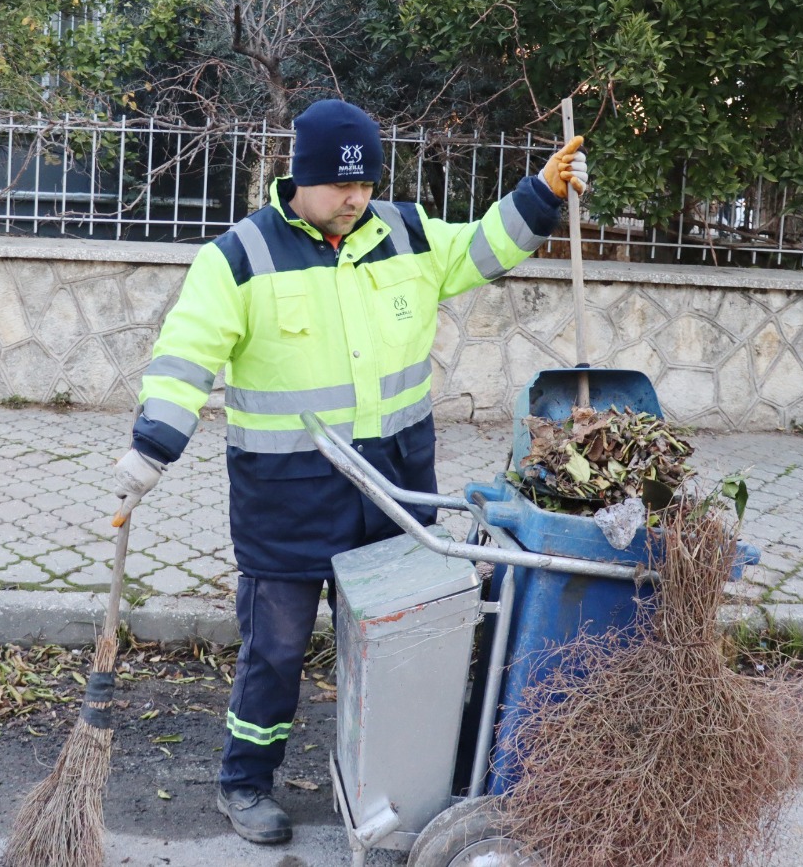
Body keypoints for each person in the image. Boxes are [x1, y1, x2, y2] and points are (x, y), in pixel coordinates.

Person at [111, 99, 587, 845]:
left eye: (365, 185)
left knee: (401, 651)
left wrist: (541, 194)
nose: (356, 199)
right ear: (300, 178)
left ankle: (391, 786)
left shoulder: (404, 234)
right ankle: (244, 782)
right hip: (287, 502)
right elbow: (185, 357)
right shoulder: (240, 258)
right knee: (274, 651)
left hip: (392, 495)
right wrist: (150, 450)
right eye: (341, 187)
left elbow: (484, 247)